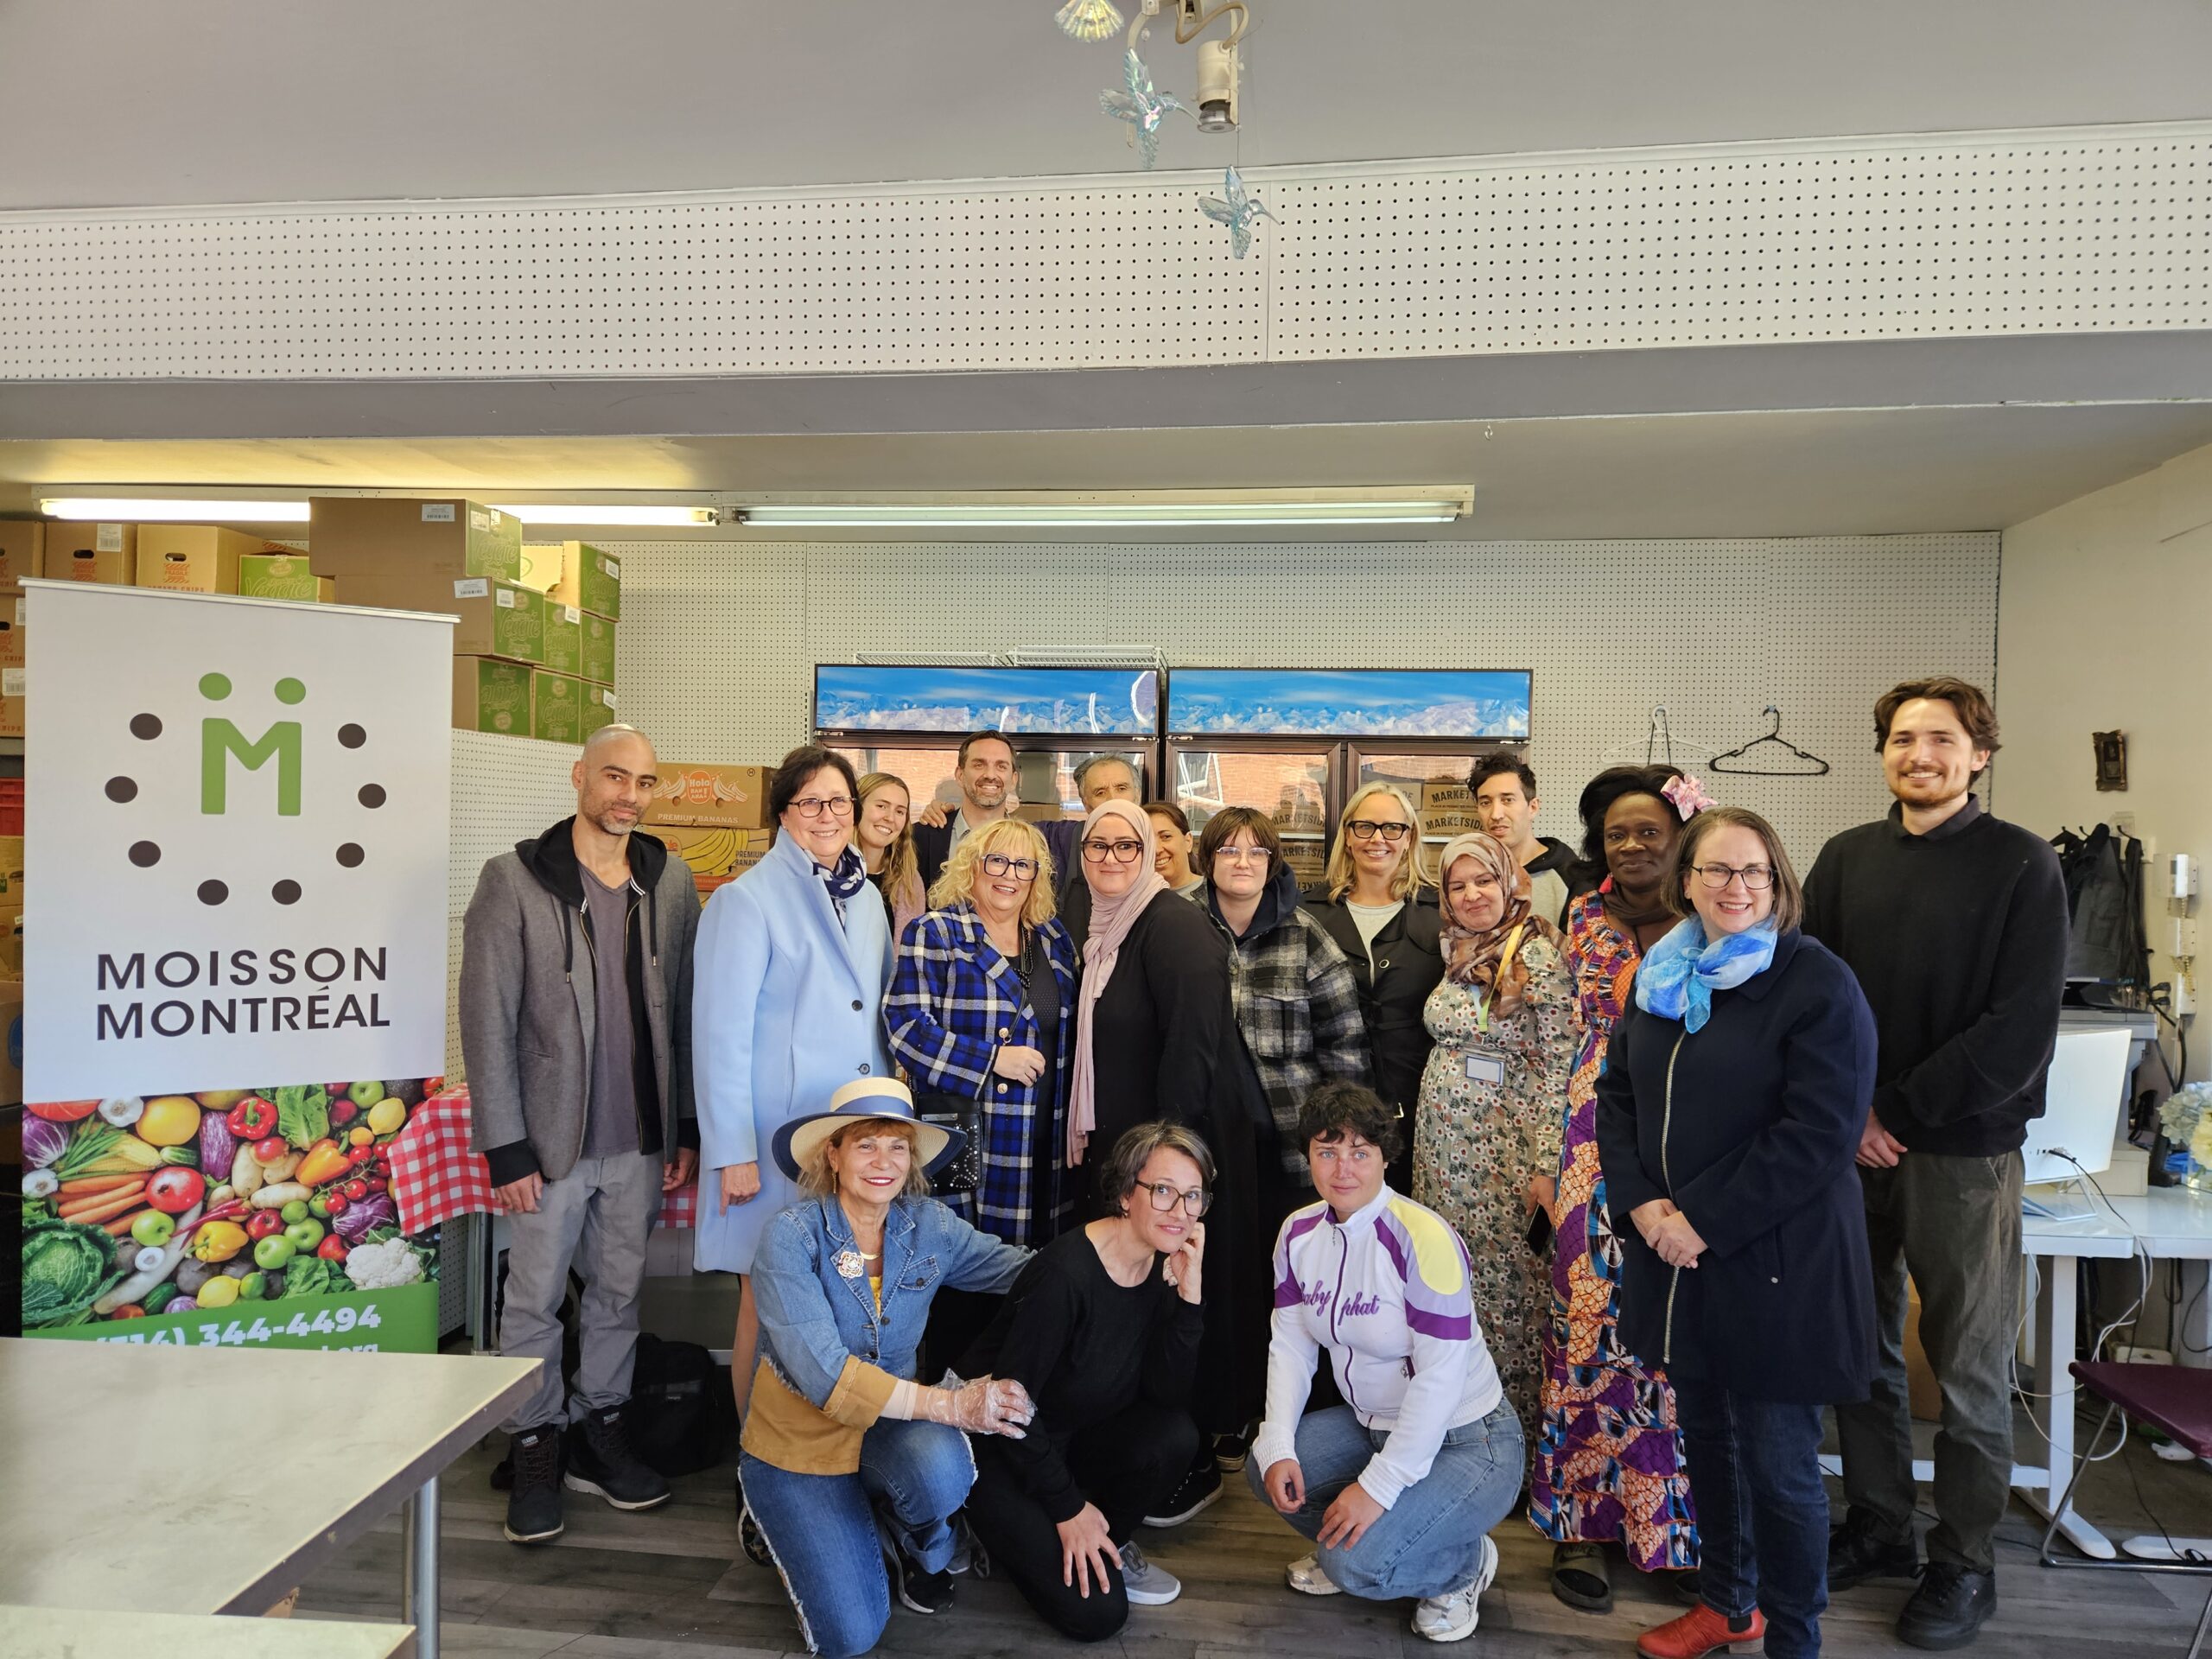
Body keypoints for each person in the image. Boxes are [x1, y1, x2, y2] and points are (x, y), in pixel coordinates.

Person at [1805, 677, 2068, 1652]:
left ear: (1979, 754)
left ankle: (1964, 1559)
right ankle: (1879, 1526)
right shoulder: (1845, 859)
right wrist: (1851, 1116)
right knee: (1859, 1352)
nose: (1920, 754)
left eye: (1943, 738)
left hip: (1962, 1151)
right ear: (1883, 752)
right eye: (1903, 738)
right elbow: (1814, 1001)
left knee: (1967, 1369)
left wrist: (1895, 1113)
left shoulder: (2022, 864)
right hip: (1851, 1148)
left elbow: (2018, 1031)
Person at [1596, 807, 1879, 1659]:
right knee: (1710, 1444)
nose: (1735, 887)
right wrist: (1643, 1205)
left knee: (1779, 1468)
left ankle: (1795, 1637)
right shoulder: (1663, 974)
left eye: (1753, 870)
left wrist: (1701, 1222)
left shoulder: (1816, 982)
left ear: (1778, 880)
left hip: (1775, 1261)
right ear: (1686, 881)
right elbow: (1617, 1097)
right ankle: (1727, 1605)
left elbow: (1818, 1133)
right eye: (1716, 870)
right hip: (1676, 1259)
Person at [458, 724, 701, 1544]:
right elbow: (485, 1021)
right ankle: (535, 1442)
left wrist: (685, 1127)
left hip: (639, 1139)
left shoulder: (670, 881)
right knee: (532, 1301)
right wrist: (505, 1146)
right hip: (549, 1143)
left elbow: (684, 1013)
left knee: (618, 1294)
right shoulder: (514, 880)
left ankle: (601, 1431)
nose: (630, 795)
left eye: (645, 781)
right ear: (580, 777)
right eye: (615, 777)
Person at [741, 1079, 1037, 1659]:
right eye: (866, 1145)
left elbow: (1022, 1271)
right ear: (833, 1155)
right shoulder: (790, 1237)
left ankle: (910, 1537)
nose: (884, 1162)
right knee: (850, 1637)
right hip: (799, 1448)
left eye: (898, 1146)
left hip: (884, 1430)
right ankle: (796, 1519)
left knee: (941, 1467)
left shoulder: (930, 1226)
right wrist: (952, 1405)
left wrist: (1125, 1251)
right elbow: (826, 1376)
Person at [1249, 1081, 1525, 1644]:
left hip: (1470, 1440)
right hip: (1371, 1425)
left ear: (1383, 1157)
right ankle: (1361, 1540)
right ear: (1308, 1158)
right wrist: (1277, 1440)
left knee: (1354, 1566)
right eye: (1327, 1151)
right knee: (1266, 1466)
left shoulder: (1424, 1237)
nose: (1342, 1169)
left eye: (1359, 1152)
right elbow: (1292, 1345)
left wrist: (1377, 1488)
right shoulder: (1298, 1233)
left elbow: (1440, 1378)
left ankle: (1461, 1567)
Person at [1530, 763, 1701, 1614]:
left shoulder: (1714, 917)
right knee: (1585, 1323)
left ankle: (1668, 1531)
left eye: (1649, 831)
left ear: (1680, 838)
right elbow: (1552, 1036)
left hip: (1686, 1137)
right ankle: (1581, 1523)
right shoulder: (1580, 916)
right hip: (1589, 1143)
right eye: (1616, 834)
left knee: (1674, 1333)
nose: (1632, 845)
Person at [693, 745, 895, 1440]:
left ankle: (820, 1453)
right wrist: (732, 1151)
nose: (827, 816)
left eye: (839, 802)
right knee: (766, 1299)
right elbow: (719, 1037)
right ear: (783, 814)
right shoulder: (745, 900)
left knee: (835, 1298)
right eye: (810, 803)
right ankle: (757, 1458)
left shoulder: (865, 897)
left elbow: (874, 1015)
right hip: (773, 1140)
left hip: (848, 1136)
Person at [1065, 797, 1256, 1525]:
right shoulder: (1097, 927)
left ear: (1150, 853)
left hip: (1169, 1161)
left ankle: (1188, 1461)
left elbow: (1193, 1054)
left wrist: (1165, 1171)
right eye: (1098, 845)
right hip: (1126, 1157)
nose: (1111, 858)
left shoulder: (1174, 926)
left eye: (1126, 845)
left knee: (1174, 1301)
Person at [959, 1122, 1215, 1639]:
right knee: (1098, 1615)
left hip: (1072, 1439)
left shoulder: (1163, 1264)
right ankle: (983, 1527)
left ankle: (1106, 1543)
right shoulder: (1065, 1277)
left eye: (1193, 1196)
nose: (1180, 1211)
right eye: (1163, 1190)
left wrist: (1190, 1298)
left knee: (1175, 1435)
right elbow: (1010, 1412)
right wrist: (1068, 1508)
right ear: (1125, 1194)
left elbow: (1166, 1397)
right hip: (1002, 1452)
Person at [1413, 830, 1573, 1440]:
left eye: (1484, 879)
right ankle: (1458, 1431)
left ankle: (1514, 1447)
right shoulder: (1458, 950)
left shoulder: (1537, 957)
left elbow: (1559, 1061)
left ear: (1509, 882)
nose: (1472, 894)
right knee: (1454, 1286)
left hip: (1505, 1158)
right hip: (1444, 1155)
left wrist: (1546, 1164)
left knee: (1510, 1299)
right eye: (1458, 885)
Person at [887, 816, 1080, 1248]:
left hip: (1048, 1131)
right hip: (971, 1131)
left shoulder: (1053, 938)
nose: (1010, 875)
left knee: (1039, 1260)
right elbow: (906, 1027)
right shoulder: (936, 932)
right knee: (971, 1259)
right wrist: (991, 1059)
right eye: (997, 861)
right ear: (972, 865)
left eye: (1023, 865)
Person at [1197, 804, 1370, 1198]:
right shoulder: (1179, 926)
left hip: (1290, 1139)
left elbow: (1344, 1044)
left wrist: (1341, 1134)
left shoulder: (1306, 937)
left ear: (1271, 862)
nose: (1243, 862)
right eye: (1228, 850)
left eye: (1257, 852)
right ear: (1207, 859)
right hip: (1201, 1137)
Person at [1304, 782, 1444, 1194]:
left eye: (1392, 828)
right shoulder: (1307, 913)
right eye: (1364, 827)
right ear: (1348, 836)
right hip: (1331, 1100)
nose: (1377, 838)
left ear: (1409, 838)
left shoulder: (1443, 913)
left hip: (1421, 1102)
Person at [1469, 753, 1579, 925]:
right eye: (1485, 803)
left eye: (1508, 800)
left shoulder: (1570, 877)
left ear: (1532, 807)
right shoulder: (1469, 873)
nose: (1496, 814)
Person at [854, 771, 925, 939]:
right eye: (881, 806)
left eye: (900, 812)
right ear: (856, 807)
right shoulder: (829, 873)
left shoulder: (910, 882)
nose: (890, 818)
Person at [1145, 799, 1206, 900]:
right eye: (1147, 840)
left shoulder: (1215, 896)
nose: (1156, 849)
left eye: (1166, 837)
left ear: (1188, 841)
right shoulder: (1135, 901)